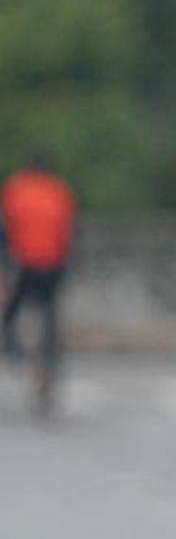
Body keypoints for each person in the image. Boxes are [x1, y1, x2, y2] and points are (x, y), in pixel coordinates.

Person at [1, 152, 77, 410]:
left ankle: (12, 349)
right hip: (52, 265)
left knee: (11, 311)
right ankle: (48, 363)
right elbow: (69, 231)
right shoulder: (59, 191)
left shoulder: (16, 189)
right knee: (49, 315)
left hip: (24, 263)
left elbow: (5, 230)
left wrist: (5, 263)